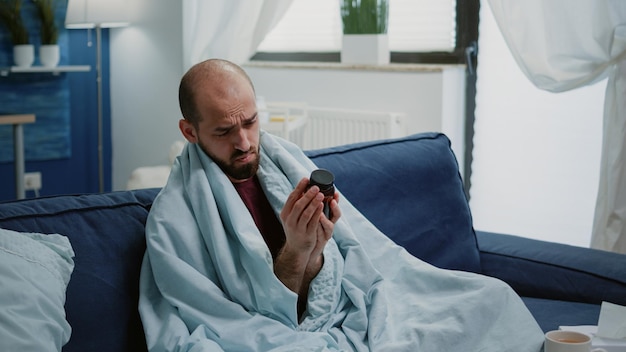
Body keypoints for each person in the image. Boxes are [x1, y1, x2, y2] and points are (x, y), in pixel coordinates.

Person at [139, 58, 544, 351]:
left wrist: (317, 248)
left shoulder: (286, 161)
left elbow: (352, 269)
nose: (244, 143)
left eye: (250, 122)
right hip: (273, 332)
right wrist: (297, 249)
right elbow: (246, 321)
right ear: (189, 131)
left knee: (491, 298)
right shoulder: (173, 219)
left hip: (341, 310)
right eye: (224, 131)